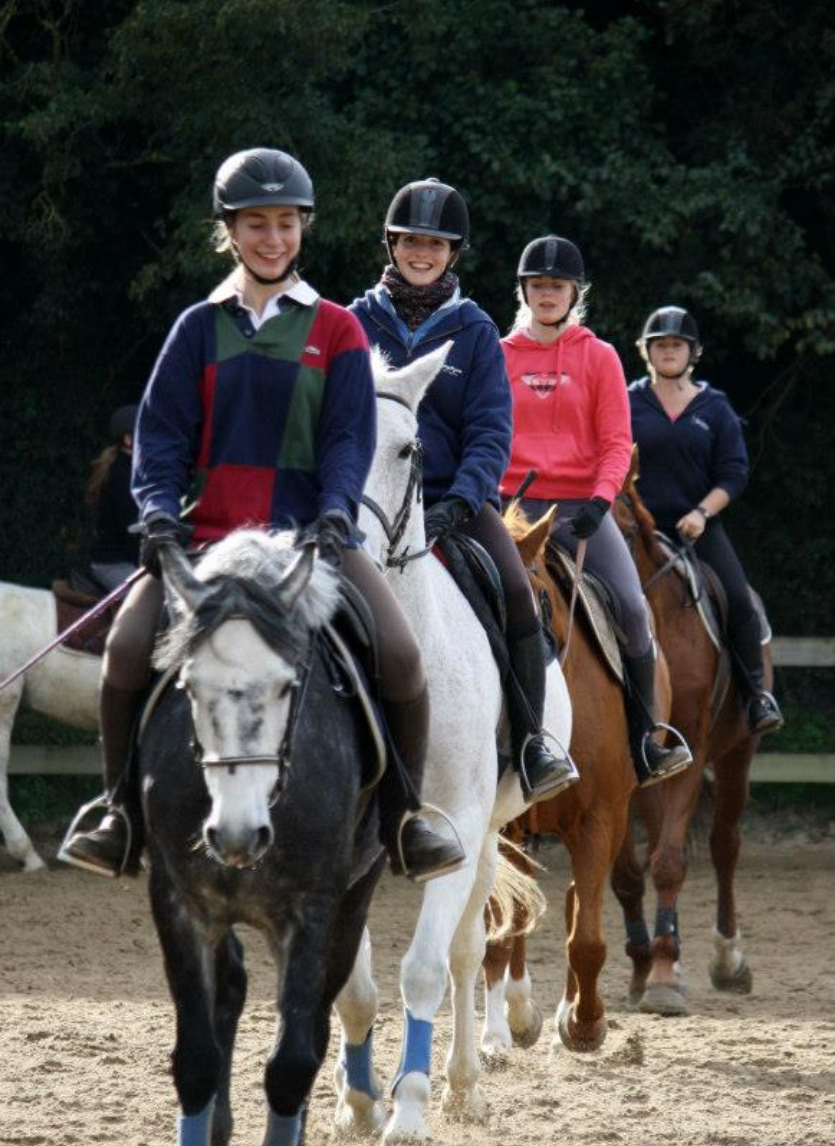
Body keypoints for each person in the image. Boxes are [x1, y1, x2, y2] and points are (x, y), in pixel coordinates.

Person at [61, 147, 465, 884]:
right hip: (210, 541)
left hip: (312, 541)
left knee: (402, 655)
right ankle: (119, 813)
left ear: (302, 229)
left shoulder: (337, 329)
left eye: (285, 223)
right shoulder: (196, 327)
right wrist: (156, 514)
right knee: (123, 649)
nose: (272, 238)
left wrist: (338, 512)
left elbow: (349, 437)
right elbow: (161, 437)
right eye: (256, 225)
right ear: (230, 231)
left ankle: (403, 815)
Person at [349, 179, 576, 802]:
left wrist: (462, 498)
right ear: (392, 244)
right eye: (412, 241)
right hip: (366, 497)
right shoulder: (353, 320)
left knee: (515, 592)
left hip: (452, 500)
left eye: (436, 244)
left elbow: (490, 431)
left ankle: (532, 743)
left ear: (455, 253)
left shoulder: (474, 330)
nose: (422, 253)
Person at [499, 237, 693, 786]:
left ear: (573, 293)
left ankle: (647, 740)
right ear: (524, 291)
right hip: (512, 508)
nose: (547, 294)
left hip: (583, 507)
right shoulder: (498, 353)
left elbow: (615, 442)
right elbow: (487, 435)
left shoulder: (599, 356)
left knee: (633, 610)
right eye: (538, 285)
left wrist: (603, 500)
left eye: (557, 286)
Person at [628, 305, 783, 734]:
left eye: (676, 345)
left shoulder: (714, 407)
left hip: (697, 527)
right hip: (637, 527)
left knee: (737, 598)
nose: (669, 352)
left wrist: (701, 512)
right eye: (660, 345)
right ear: (647, 351)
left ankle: (756, 695)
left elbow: (734, 473)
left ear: (692, 353)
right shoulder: (628, 402)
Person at [85, 405, 141, 590]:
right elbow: (131, 530)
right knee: (151, 602)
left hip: (127, 559)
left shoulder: (132, 470)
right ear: (128, 440)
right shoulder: (121, 475)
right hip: (114, 564)